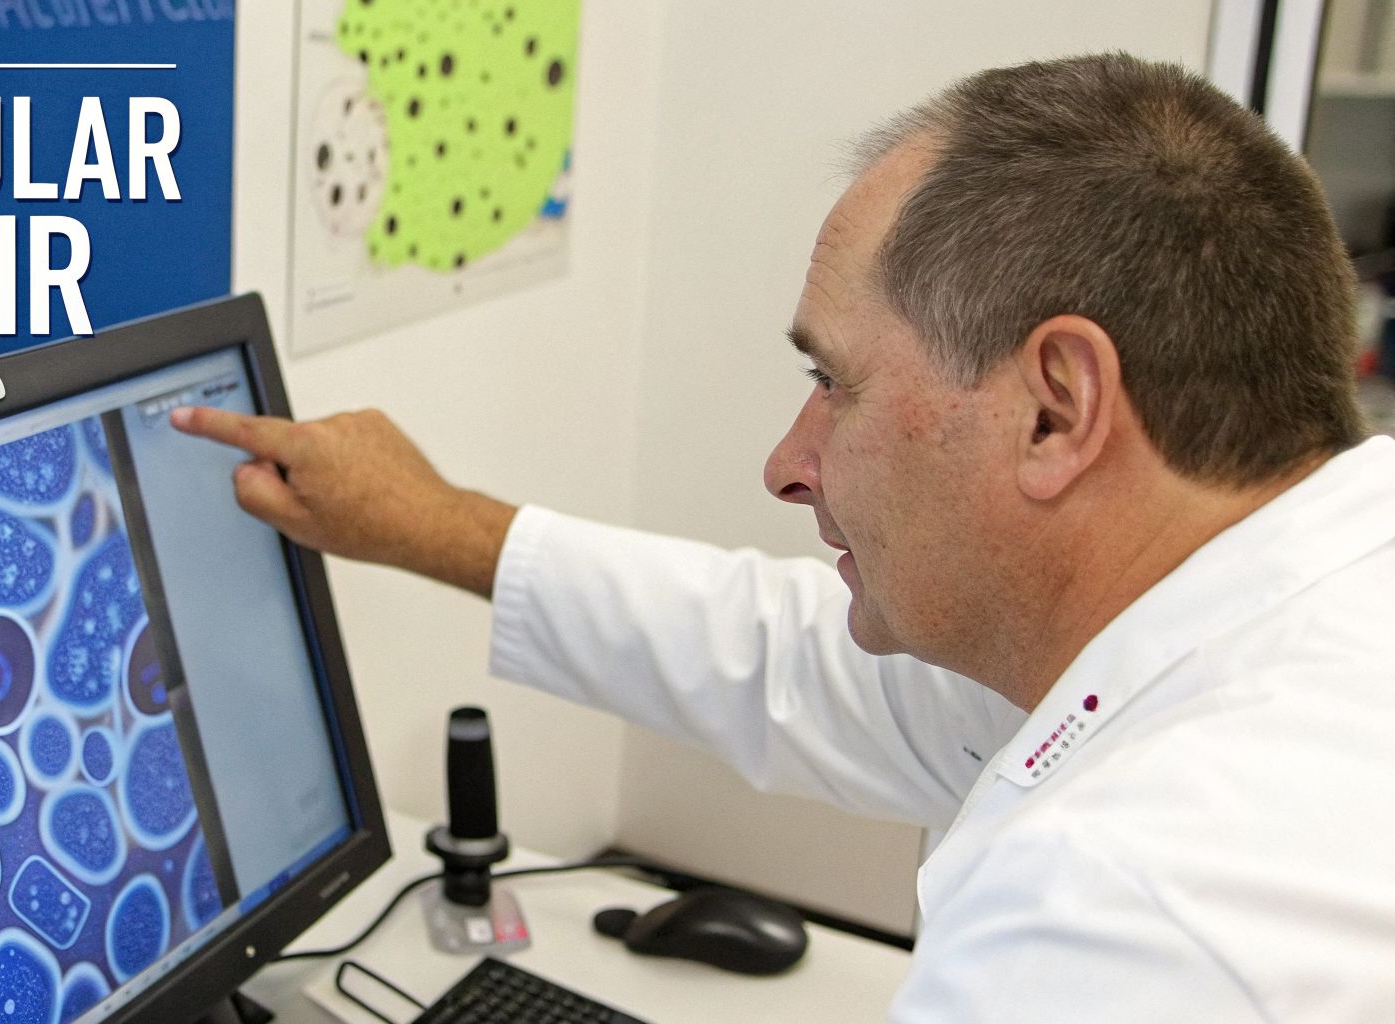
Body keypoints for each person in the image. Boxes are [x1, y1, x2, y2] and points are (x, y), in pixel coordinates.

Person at [176, 54, 1395, 1019]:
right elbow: (799, 664)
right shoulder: (1270, 605)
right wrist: (433, 524)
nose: (784, 462)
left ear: (1054, 407)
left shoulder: (1134, 914)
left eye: (836, 381)